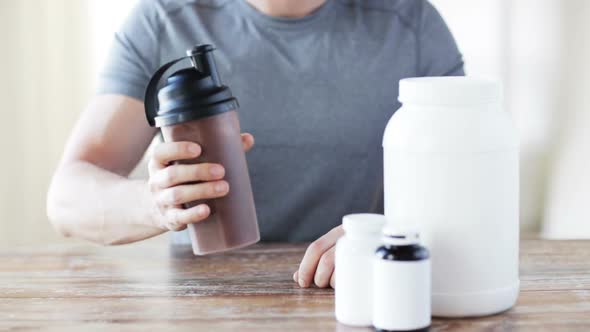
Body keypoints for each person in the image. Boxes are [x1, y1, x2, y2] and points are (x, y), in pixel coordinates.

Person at [47, 0, 463, 289]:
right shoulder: (163, 21)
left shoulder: (411, 24)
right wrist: (154, 203)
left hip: (355, 293)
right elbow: (66, 199)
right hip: (206, 301)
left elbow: (466, 182)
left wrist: (388, 233)